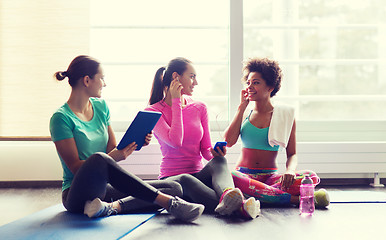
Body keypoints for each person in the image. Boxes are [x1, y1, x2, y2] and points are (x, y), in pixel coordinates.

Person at [49, 55, 204, 222]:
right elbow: (76, 167)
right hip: (76, 194)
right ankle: (167, 202)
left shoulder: (101, 108)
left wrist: (136, 142)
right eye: (102, 78)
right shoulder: (61, 118)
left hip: (104, 188)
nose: (105, 83)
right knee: (98, 159)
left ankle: (110, 207)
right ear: (87, 80)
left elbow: (111, 150)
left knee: (174, 187)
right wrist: (114, 156)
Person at [145, 57, 260, 219]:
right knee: (186, 180)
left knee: (220, 162)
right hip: (174, 181)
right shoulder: (153, 112)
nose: (196, 82)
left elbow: (206, 152)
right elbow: (175, 141)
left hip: (199, 176)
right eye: (192, 76)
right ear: (175, 77)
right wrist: (177, 101)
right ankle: (242, 205)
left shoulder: (199, 107)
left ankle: (229, 195)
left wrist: (215, 152)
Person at [224, 57, 330, 208]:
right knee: (231, 176)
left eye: (256, 82)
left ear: (270, 87)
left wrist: (290, 171)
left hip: (270, 178)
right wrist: (241, 108)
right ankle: (294, 199)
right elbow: (228, 142)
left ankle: (258, 196)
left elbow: (292, 153)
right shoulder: (245, 114)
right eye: (248, 82)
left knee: (310, 176)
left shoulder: (285, 115)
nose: (250, 87)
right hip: (244, 175)